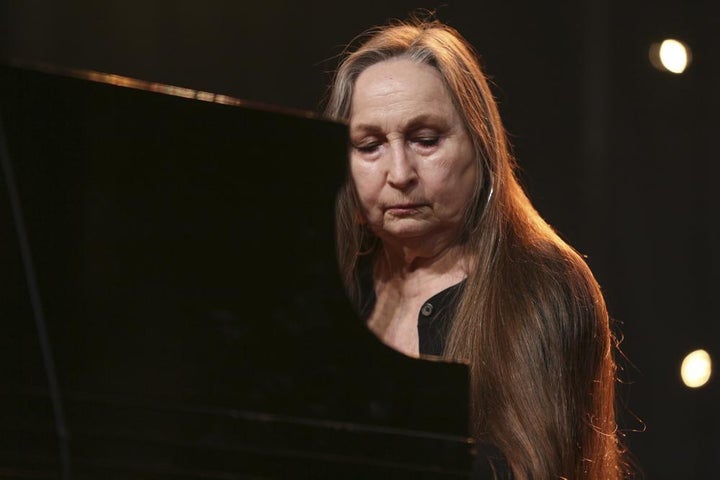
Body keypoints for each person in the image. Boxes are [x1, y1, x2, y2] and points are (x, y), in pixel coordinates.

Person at [324, 18, 625, 480]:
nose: (399, 172)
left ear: (480, 146)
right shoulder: (340, 280)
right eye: (370, 146)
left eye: (425, 140)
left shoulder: (541, 283)